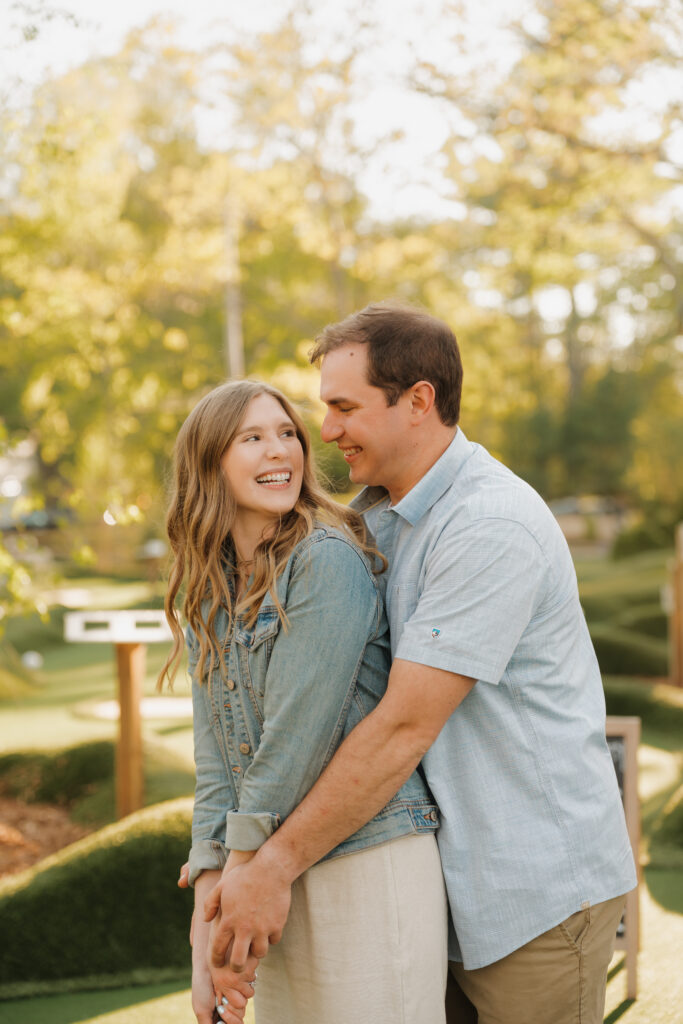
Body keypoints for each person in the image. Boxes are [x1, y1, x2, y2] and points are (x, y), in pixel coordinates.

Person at [202, 304, 638, 1024]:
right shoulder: (369, 520)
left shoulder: (487, 522)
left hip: (531, 895)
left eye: (344, 407)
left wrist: (271, 866)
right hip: (441, 886)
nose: (327, 430)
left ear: (418, 401)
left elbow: (403, 724)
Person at [160, 378, 448, 1024]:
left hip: (364, 867)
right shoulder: (211, 594)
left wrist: (237, 895)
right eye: (253, 437)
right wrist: (206, 919)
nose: (280, 451)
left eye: (287, 433)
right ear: (209, 463)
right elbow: (217, 765)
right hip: (270, 877)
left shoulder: (326, 562)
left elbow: (287, 751)